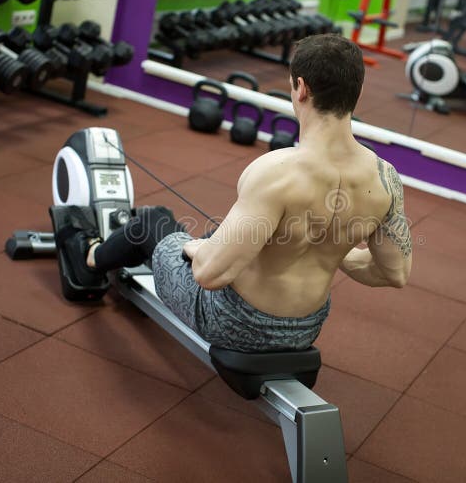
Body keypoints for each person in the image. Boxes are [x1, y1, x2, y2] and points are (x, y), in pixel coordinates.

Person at [59, 34, 413, 353]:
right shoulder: (386, 178)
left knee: (152, 223)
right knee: (224, 235)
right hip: (306, 329)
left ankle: (87, 260)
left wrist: (195, 248)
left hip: (234, 325)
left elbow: (209, 277)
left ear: (301, 88)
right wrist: (335, 249)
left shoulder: (275, 172)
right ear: (358, 93)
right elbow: (393, 274)